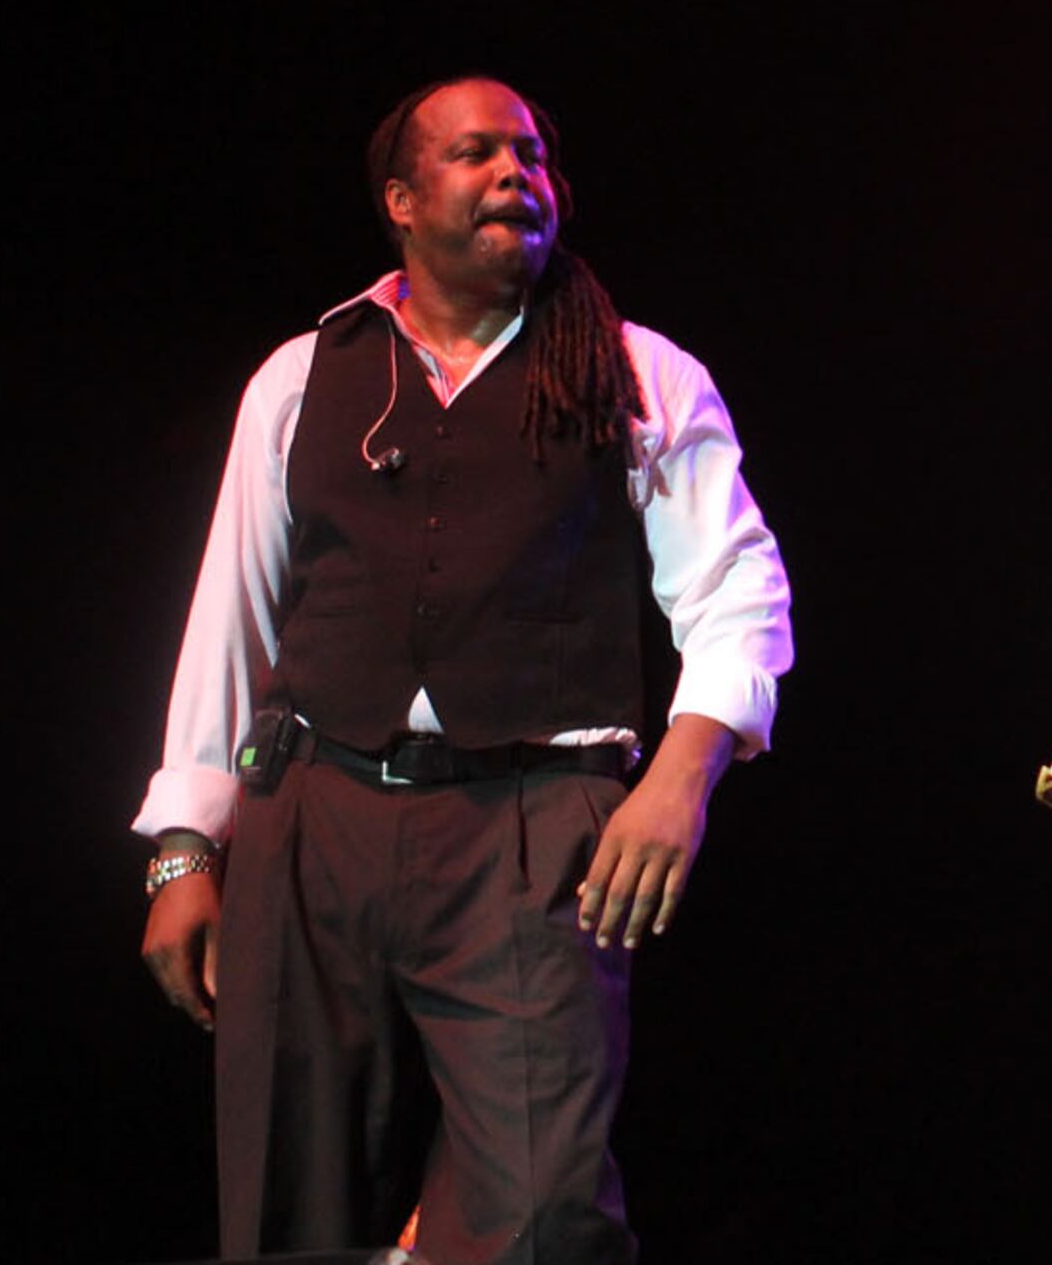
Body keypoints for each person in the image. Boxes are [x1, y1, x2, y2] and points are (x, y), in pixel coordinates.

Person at [134, 78, 793, 1264]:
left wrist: (682, 778)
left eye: (531, 155)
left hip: (533, 825)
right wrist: (186, 846)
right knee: (297, 1198)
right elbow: (229, 615)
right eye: (476, 154)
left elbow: (737, 593)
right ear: (401, 198)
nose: (513, 174)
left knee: (541, 1214)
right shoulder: (303, 376)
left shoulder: (634, 371)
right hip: (313, 816)